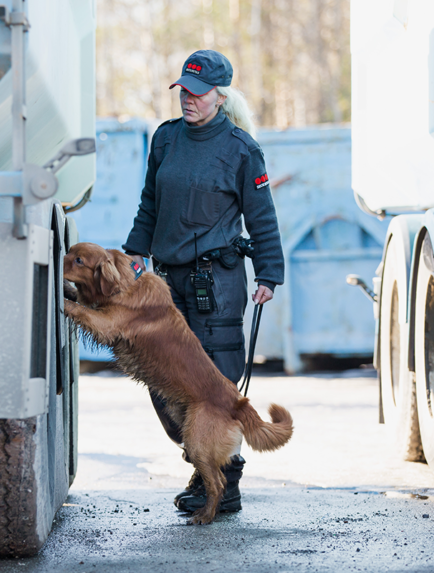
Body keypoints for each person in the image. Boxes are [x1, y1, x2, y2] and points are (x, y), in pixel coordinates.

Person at [122, 50, 285, 514]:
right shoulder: (166, 140)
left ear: (220, 95)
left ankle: (222, 480)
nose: (188, 100)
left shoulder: (241, 149)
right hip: (166, 284)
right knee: (161, 378)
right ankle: (201, 460)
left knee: (214, 385)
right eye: (183, 91)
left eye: (198, 92)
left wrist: (269, 272)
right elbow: (149, 203)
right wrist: (136, 250)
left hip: (219, 284)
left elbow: (263, 219)